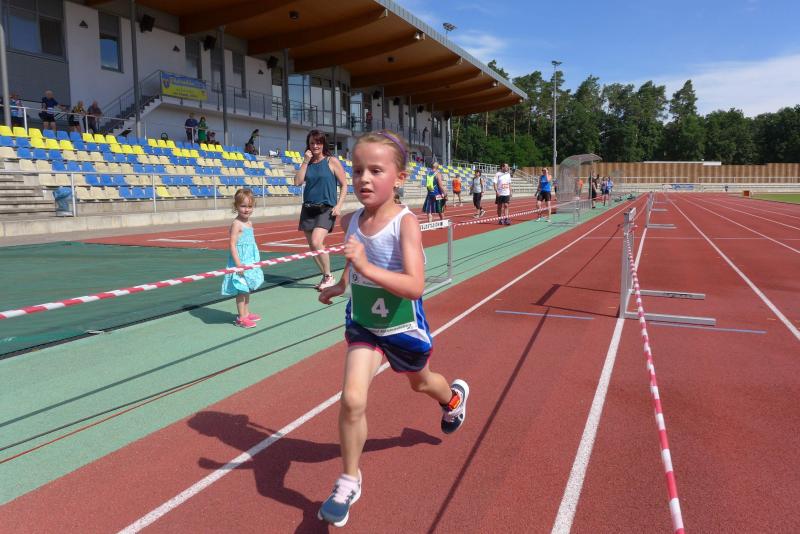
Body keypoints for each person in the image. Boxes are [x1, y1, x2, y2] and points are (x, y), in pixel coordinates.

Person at [317, 129, 469, 527]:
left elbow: (415, 286)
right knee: (352, 399)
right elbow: (353, 259)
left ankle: (452, 399)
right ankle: (349, 479)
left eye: (375, 170)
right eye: (357, 170)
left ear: (399, 178)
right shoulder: (351, 221)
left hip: (401, 324)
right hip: (364, 324)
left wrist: (366, 267)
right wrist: (341, 285)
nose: (364, 179)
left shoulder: (406, 224)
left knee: (422, 384)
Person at [295, 129, 348, 291]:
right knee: (312, 247)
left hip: (326, 208)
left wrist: (339, 205)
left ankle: (329, 276)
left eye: (318, 143)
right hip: (308, 208)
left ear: (323, 144)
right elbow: (297, 182)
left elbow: (344, 185)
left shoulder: (332, 161)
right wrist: (305, 161)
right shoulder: (308, 163)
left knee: (317, 242)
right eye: (312, 143)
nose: (315, 146)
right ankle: (326, 276)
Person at [221, 189, 265, 328]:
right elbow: (232, 245)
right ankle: (241, 318)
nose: (247, 209)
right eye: (243, 206)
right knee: (241, 290)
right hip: (240, 261)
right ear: (236, 206)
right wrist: (238, 264)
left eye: (250, 206)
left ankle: (246, 313)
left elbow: (251, 243)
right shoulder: (237, 224)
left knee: (247, 289)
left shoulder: (249, 223)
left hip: (250, 260)